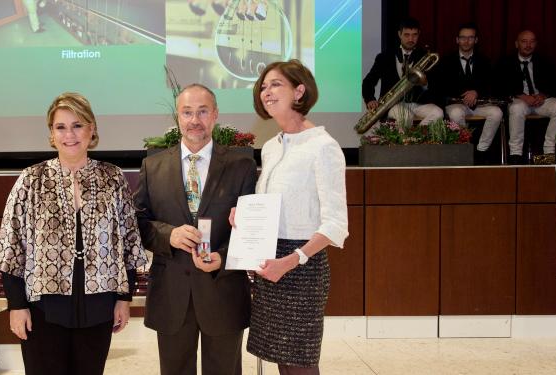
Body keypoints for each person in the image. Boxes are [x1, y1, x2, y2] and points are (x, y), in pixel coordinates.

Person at [0, 92, 147, 375]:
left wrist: (124, 298)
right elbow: (11, 246)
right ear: (51, 133)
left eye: (77, 125)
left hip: (99, 305)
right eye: (61, 127)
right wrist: (16, 305)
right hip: (42, 309)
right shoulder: (31, 179)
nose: (69, 134)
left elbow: (130, 243)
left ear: (91, 129)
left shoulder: (112, 178)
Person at [134, 84, 256, 375]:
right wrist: (169, 235)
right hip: (171, 294)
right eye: (187, 112)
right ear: (177, 118)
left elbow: (250, 229)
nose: (194, 120)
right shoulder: (153, 166)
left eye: (202, 111)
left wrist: (223, 258)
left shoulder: (241, 166)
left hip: (223, 290)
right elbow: (136, 224)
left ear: (214, 115)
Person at [242, 59, 348, 374]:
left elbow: (335, 225)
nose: (266, 92)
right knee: (282, 362)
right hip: (270, 263)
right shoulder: (272, 147)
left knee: (300, 363)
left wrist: (291, 260)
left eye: (276, 84)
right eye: (263, 86)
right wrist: (244, 217)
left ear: (299, 91)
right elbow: (274, 206)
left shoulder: (323, 146)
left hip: (302, 266)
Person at [434, 23, 502, 164]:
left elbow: (491, 83)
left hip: (478, 103)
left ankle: (481, 151)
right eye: (463, 38)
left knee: (497, 113)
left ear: (476, 40)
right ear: (457, 40)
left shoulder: (484, 60)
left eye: (470, 38)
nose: (466, 41)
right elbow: (441, 86)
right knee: (456, 114)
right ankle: (465, 149)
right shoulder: (446, 61)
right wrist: (464, 95)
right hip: (455, 103)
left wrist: (476, 92)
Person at [496, 29, 556, 164]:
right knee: (516, 109)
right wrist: (521, 95)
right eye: (524, 41)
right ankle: (515, 154)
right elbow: (499, 86)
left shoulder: (544, 61)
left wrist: (543, 95)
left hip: (541, 101)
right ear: (516, 44)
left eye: (532, 42)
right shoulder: (505, 62)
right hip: (519, 100)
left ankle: (550, 152)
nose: (528, 45)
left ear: (536, 44)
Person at [362, 17, 443, 125]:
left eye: (414, 35)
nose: (411, 39)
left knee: (438, 113)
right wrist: (370, 99)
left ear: (419, 35)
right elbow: (368, 81)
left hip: (418, 103)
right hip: (393, 104)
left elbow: (437, 85)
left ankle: (417, 138)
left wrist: (425, 83)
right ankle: (412, 139)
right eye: (407, 35)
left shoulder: (425, 56)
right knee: (405, 116)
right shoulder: (385, 57)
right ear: (399, 34)